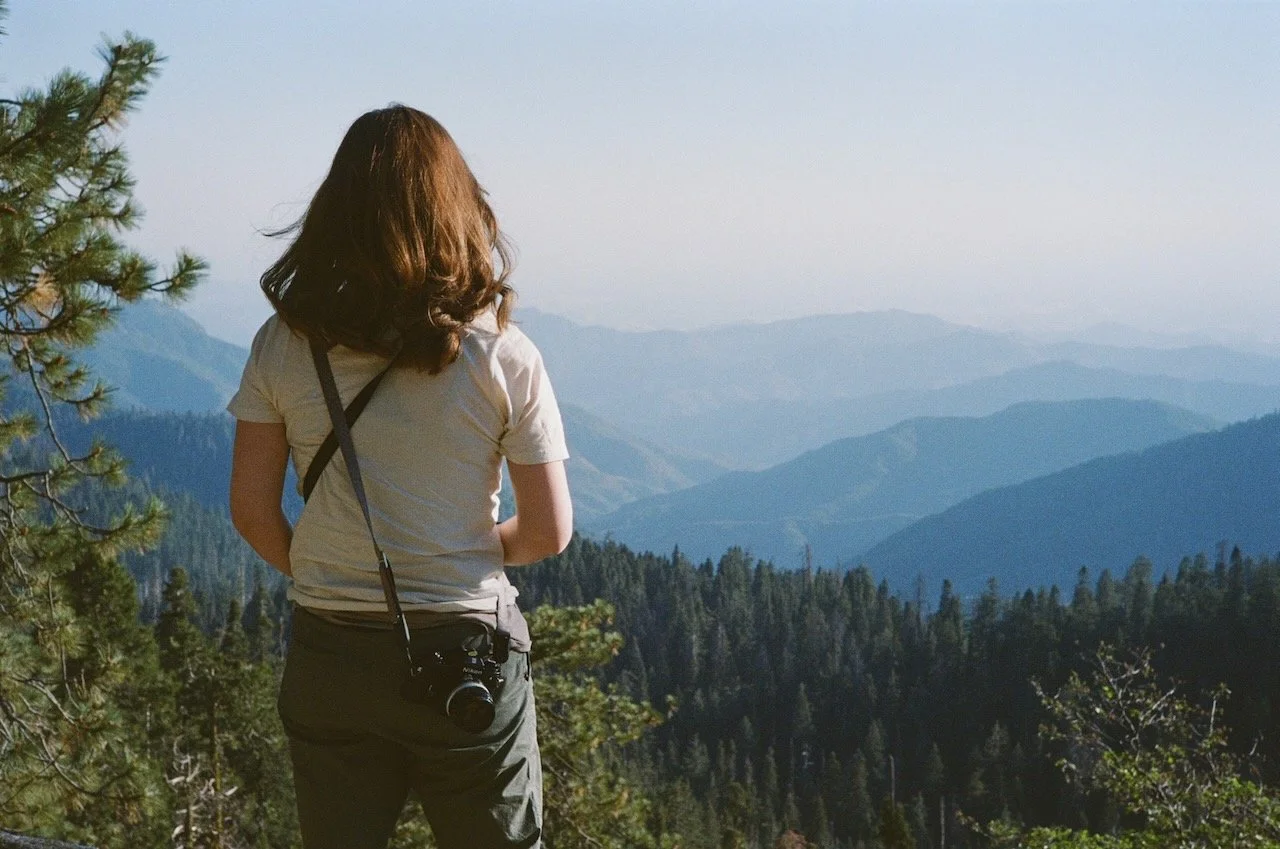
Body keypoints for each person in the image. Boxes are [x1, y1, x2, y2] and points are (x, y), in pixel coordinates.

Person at [226, 105, 572, 849]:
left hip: (330, 657)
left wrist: (330, 574)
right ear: (458, 207)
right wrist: (463, 553)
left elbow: (252, 510)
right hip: (465, 655)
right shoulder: (501, 354)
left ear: (335, 211)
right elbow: (548, 531)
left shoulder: (284, 344)